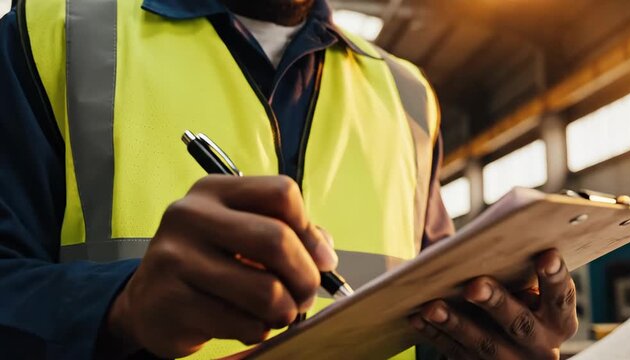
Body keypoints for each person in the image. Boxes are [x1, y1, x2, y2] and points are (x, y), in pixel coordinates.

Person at [0, 0, 579, 358]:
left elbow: (425, 320)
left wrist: (488, 340)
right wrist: (122, 309)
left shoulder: (407, 96)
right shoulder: (52, 33)